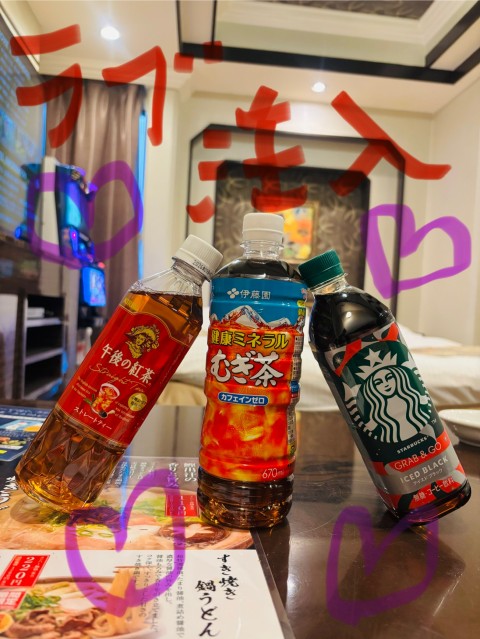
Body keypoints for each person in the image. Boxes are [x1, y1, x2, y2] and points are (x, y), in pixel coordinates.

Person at [360, 366, 430, 444]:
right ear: (373, 388)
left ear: (398, 377)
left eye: (389, 378)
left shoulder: (415, 397)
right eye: (378, 383)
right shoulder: (376, 413)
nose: (386, 384)